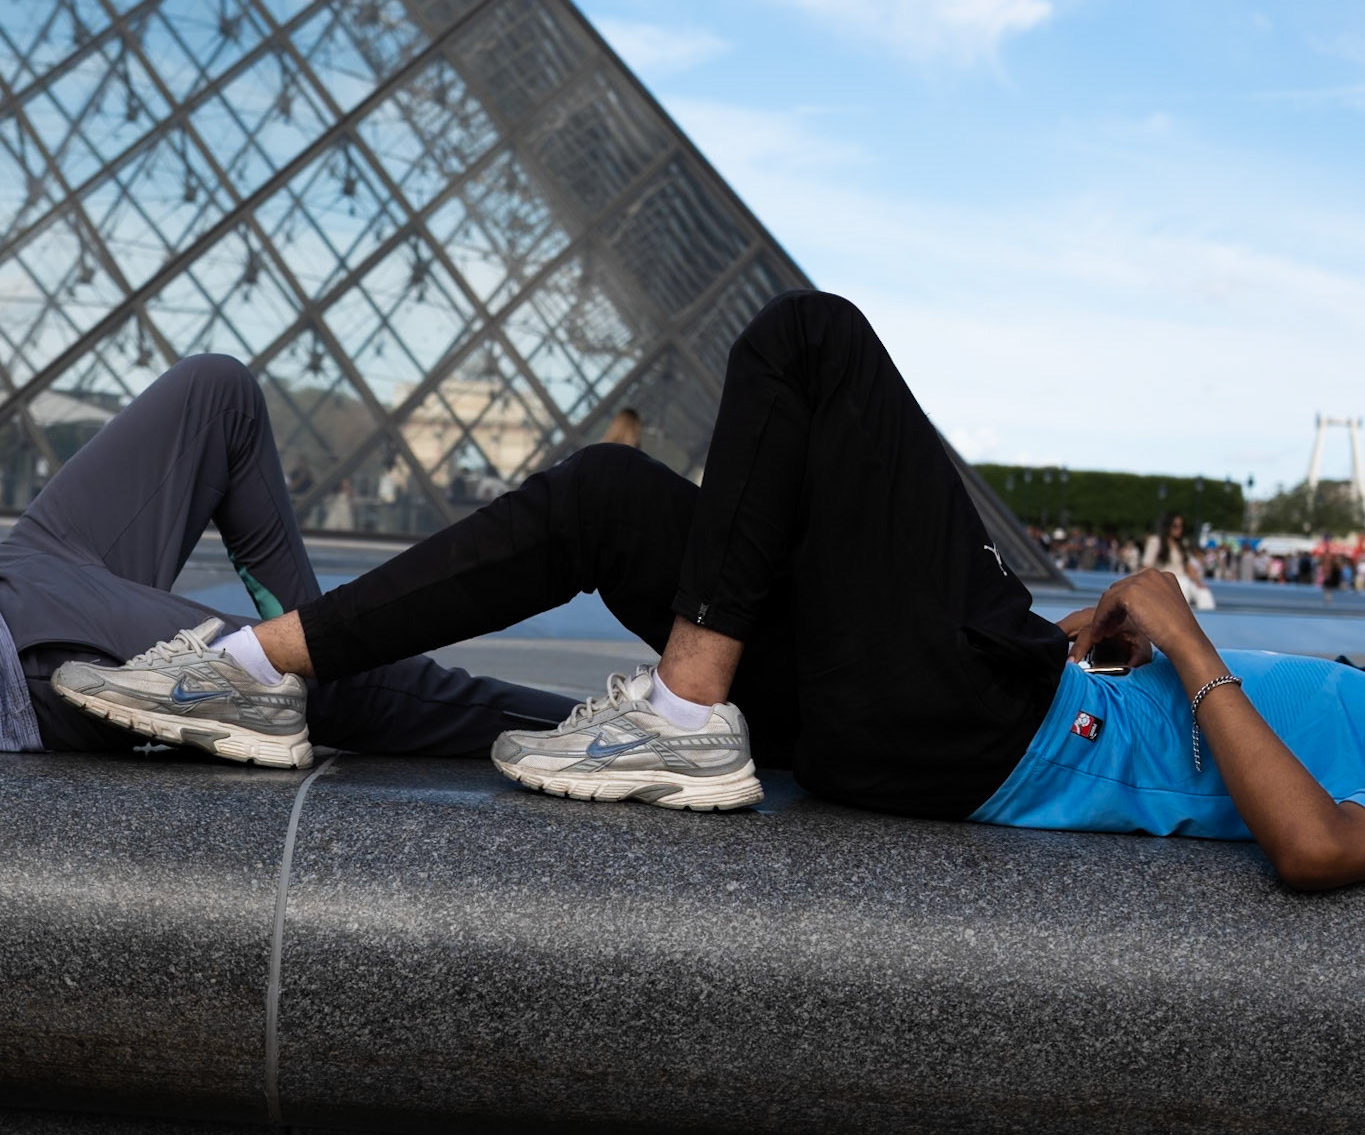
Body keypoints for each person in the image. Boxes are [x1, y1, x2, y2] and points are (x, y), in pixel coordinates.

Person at [35, 294, 1365, 890]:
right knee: (607, 501)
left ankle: (682, 712)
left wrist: (1186, 635)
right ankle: (268, 670)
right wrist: (1117, 636)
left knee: (812, 341)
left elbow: (1313, 848)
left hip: (983, 742)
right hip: (980, 701)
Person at [0, 354, 572, 770]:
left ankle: (320, 659)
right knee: (371, 684)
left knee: (220, 391)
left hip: (22, 564)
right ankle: (596, 736)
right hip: (20, 643)